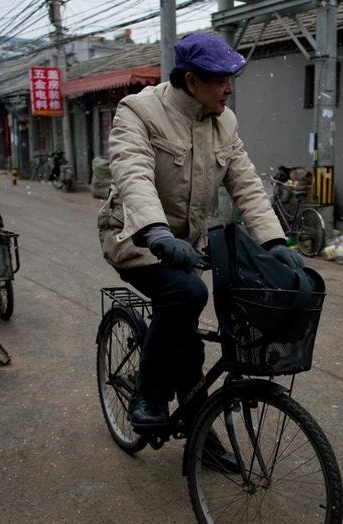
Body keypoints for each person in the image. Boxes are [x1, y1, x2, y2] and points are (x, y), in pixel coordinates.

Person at [97, 33, 302, 451]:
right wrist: (154, 231)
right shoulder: (139, 111)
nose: (229, 89)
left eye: (231, 80)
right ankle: (148, 396)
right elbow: (133, 174)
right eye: (220, 81)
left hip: (185, 245)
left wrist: (274, 241)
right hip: (136, 238)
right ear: (192, 81)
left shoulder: (225, 122)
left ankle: (198, 431)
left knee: (190, 346)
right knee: (186, 294)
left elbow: (246, 185)